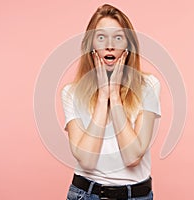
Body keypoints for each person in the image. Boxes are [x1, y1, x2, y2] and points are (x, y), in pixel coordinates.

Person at [62, 4, 161, 200]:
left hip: (136, 195)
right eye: (101, 37)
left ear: (128, 46)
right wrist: (102, 96)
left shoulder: (148, 85)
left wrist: (114, 96)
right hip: (85, 194)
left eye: (118, 37)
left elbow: (133, 157)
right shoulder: (70, 93)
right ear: (91, 46)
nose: (109, 45)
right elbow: (87, 160)